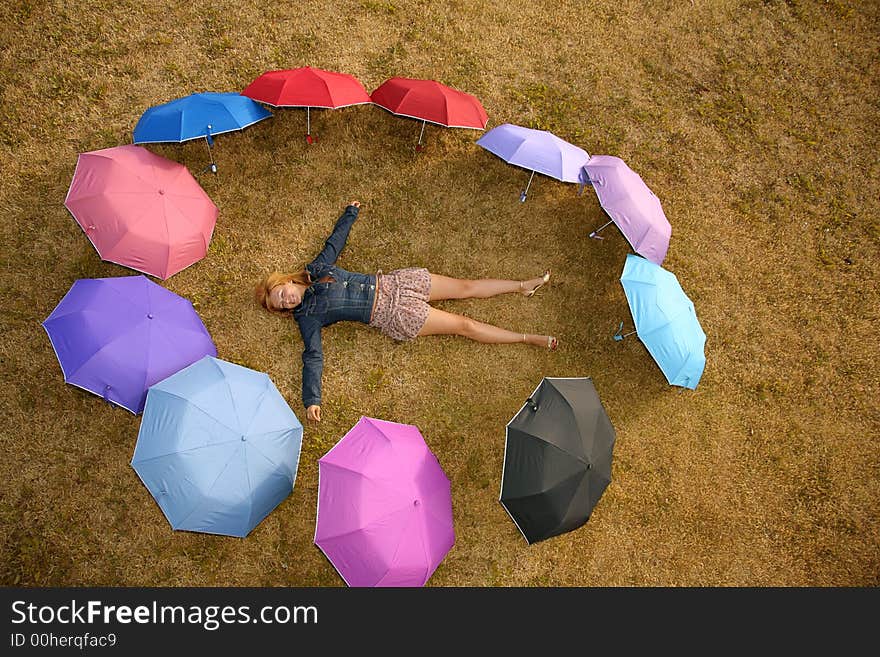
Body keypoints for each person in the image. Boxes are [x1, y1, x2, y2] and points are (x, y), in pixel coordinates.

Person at [255, 201, 557, 423]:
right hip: (394, 314)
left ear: (285, 281)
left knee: (465, 286)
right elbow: (313, 356)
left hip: (398, 282)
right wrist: (312, 399)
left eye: (282, 294)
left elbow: (334, 244)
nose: (288, 300)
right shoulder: (308, 317)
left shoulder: (316, 269)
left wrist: (350, 213)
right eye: (282, 305)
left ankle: (522, 286)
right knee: (464, 325)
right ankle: (527, 338)